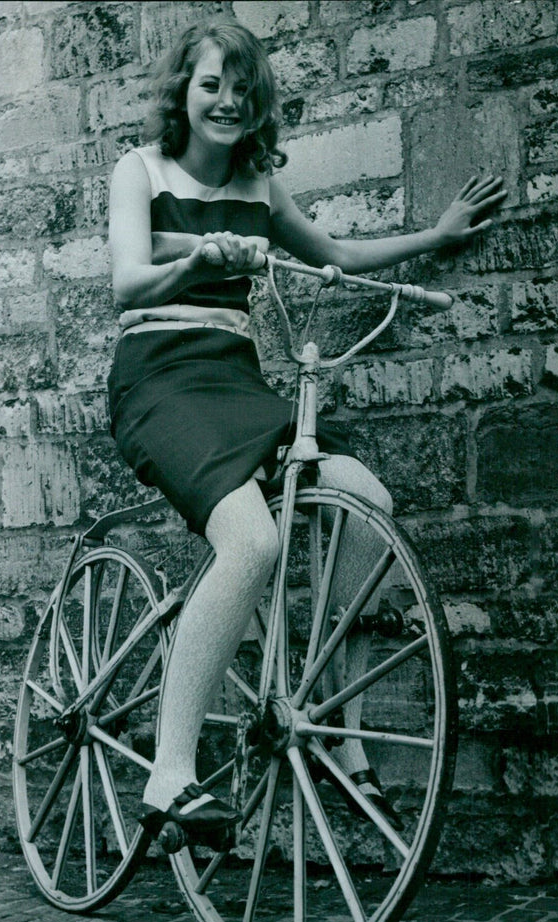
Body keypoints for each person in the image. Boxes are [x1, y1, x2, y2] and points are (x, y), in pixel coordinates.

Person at [108, 21, 506, 838]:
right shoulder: (139, 170)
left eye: (242, 89)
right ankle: (171, 778)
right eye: (212, 83)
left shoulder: (259, 187)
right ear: (183, 91)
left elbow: (334, 252)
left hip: (236, 380)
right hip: (159, 381)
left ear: (258, 107)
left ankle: (328, 701)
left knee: (367, 494)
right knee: (251, 543)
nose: (227, 100)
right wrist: (196, 262)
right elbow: (125, 284)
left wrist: (435, 236)